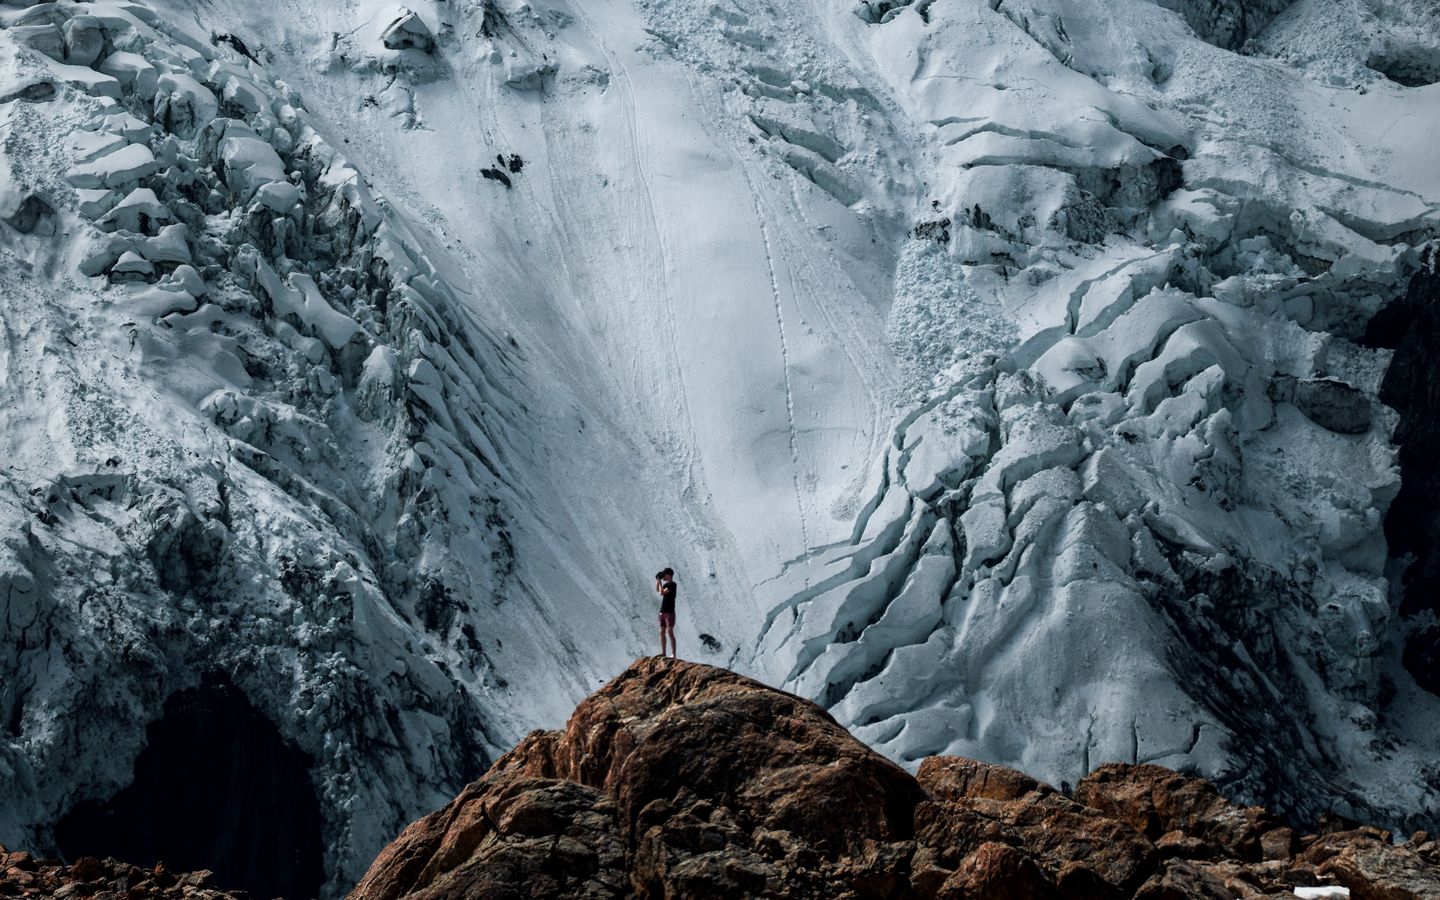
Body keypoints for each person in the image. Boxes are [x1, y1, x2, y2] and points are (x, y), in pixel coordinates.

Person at [655, 568, 678, 659]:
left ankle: (673, 654)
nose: (663, 576)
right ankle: (663, 652)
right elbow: (658, 589)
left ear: (669, 575)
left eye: (664, 575)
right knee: (662, 632)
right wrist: (658, 581)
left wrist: (660, 582)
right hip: (663, 611)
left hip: (669, 612)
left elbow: (662, 592)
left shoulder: (672, 585)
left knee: (670, 632)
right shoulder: (665, 584)